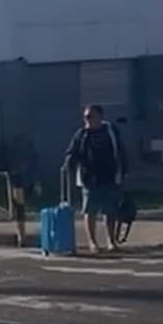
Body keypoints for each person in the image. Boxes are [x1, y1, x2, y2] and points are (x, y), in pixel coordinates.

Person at [63, 104, 128, 253]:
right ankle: (92, 242)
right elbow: (72, 152)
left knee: (110, 210)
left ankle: (111, 241)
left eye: (90, 116)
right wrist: (69, 164)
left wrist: (124, 170)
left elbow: (120, 150)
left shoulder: (111, 131)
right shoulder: (81, 134)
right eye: (85, 117)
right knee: (90, 211)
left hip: (110, 176)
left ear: (100, 116)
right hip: (89, 178)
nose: (87, 120)